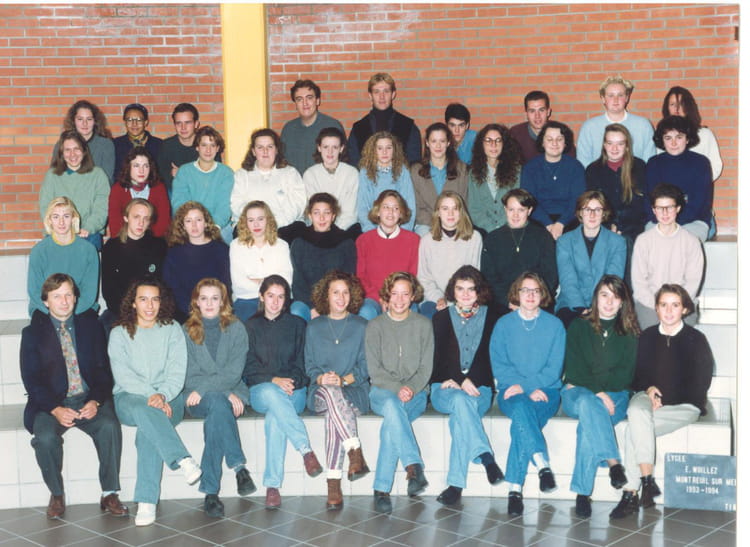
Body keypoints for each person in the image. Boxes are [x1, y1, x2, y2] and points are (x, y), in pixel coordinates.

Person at [21, 273, 127, 520]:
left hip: (87, 398)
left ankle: (109, 493)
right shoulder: (32, 334)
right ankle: (57, 494)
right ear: (45, 301)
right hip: (51, 404)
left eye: (68, 294)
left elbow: (103, 372)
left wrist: (95, 401)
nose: (64, 301)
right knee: (45, 438)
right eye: (57, 296)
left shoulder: (91, 327)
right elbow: (32, 381)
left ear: (76, 298)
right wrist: (55, 409)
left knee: (110, 426)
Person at [610, 284, 713, 519]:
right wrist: (648, 388)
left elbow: (700, 383)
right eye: (663, 305)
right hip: (647, 398)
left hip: (684, 405)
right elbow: (636, 375)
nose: (668, 311)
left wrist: (664, 399)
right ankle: (647, 481)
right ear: (656, 308)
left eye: (675, 305)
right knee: (637, 411)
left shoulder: (696, 339)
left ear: (684, 309)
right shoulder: (646, 337)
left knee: (633, 430)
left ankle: (631, 493)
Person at [108, 276, 201, 526]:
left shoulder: (172, 329)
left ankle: (147, 501)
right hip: (130, 398)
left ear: (162, 302)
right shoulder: (119, 333)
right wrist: (152, 395)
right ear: (133, 303)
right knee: (146, 410)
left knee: (147, 430)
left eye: (155, 300)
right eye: (143, 299)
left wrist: (163, 395)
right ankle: (182, 459)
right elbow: (124, 376)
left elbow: (177, 371)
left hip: (171, 398)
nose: (150, 306)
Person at [561, 275, 640, 518]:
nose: (609, 302)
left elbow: (624, 376)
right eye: (604, 295)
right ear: (596, 297)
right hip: (577, 393)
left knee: (589, 416)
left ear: (622, 302)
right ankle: (614, 463)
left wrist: (597, 388)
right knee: (588, 402)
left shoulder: (630, 332)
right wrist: (598, 391)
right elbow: (574, 370)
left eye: (615, 297)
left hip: (615, 395)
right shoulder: (578, 326)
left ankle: (582, 493)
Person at [242, 275, 323, 509]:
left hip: (293, 392)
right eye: (270, 296)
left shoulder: (298, 325)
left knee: (275, 417)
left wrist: (291, 382)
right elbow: (248, 368)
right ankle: (305, 450)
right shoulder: (250, 326)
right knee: (271, 393)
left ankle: (272, 486)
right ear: (261, 297)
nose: (275, 302)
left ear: (287, 299)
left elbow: (304, 365)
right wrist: (274, 380)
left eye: (281, 297)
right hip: (261, 390)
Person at [490, 272, 565, 516]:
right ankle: (542, 464)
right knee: (522, 408)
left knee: (521, 422)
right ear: (517, 293)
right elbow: (499, 365)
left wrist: (529, 387)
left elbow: (554, 368)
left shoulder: (555, 325)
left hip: (547, 392)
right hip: (511, 391)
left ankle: (515, 490)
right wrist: (522, 388)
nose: (530, 295)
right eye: (525, 290)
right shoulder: (503, 325)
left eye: (535, 290)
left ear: (543, 294)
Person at [430, 266, 504, 506]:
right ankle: (485, 455)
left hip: (479, 389)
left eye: (471, 289)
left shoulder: (493, 317)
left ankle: (455, 485)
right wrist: (457, 379)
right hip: (444, 388)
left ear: (479, 291)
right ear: (452, 291)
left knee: (460, 415)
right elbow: (436, 360)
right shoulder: (441, 318)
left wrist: (473, 378)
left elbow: (492, 358)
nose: (465, 294)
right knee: (460, 400)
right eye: (460, 289)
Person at [183, 278, 255, 518]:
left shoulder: (236, 328)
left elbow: (234, 372)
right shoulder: (186, 330)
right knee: (216, 401)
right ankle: (239, 467)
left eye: (215, 298)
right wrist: (222, 392)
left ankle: (211, 491)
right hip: (197, 396)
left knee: (217, 410)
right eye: (204, 298)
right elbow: (188, 374)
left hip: (230, 391)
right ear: (196, 301)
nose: (209, 303)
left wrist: (220, 391)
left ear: (223, 301)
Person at [366, 272, 433, 513]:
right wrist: (398, 388)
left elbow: (426, 368)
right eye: (394, 294)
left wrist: (410, 388)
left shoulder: (423, 325)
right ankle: (413, 465)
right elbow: (375, 371)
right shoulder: (374, 326)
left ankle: (381, 489)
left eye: (405, 294)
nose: (399, 300)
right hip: (382, 391)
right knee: (392, 406)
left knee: (391, 424)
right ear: (387, 295)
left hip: (416, 392)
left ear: (413, 296)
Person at [304, 271, 371, 510]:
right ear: (326, 296)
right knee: (330, 392)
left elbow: (366, 367)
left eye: (345, 293)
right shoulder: (314, 326)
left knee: (333, 415)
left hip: (354, 391)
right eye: (335, 292)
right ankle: (354, 451)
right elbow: (309, 366)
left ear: (352, 296)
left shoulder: (362, 325)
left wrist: (343, 381)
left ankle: (333, 484)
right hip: (320, 392)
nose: (341, 298)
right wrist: (322, 378)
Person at [631, 184, 704, 329]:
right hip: (650, 305)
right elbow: (639, 285)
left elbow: (693, 283)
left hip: (682, 304)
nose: (664, 213)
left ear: (678, 208)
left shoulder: (692, 241)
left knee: (679, 337)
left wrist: (673, 307)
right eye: (660, 208)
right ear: (654, 210)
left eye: (669, 207)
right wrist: (660, 306)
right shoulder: (643, 241)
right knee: (653, 337)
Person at [481, 188, 557, 315]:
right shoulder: (492, 239)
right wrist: (508, 301)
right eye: (511, 210)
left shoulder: (543, 236)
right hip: (502, 303)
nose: (515, 215)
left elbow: (550, 276)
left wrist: (532, 300)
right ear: (505, 209)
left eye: (521, 210)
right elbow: (488, 278)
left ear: (529, 210)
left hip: (537, 302)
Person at [555, 191, 626, 327]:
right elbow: (567, 280)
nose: (592, 215)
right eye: (587, 209)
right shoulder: (564, 241)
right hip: (571, 303)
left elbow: (613, 279)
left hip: (606, 303)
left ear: (604, 213)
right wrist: (581, 308)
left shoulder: (618, 242)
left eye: (597, 210)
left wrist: (597, 307)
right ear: (580, 213)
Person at [102, 199, 167, 330]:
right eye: (136, 217)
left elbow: (162, 285)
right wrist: (129, 314)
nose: (141, 223)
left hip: (150, 310)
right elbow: (109, 291)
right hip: (120, 311)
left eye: (146, 218)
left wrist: (147, 311)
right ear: (126, 218)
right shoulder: (112, 247)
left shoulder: (159, 246)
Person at [231, 128, 307, 242]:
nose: (265, 151)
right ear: (253, 151)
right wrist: (258, 223)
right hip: (251, 226)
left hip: (284, 226)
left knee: (298, 231)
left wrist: (272, 224)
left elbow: (297, 204)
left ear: (276, 150)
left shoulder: (290, 173)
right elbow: (237, 205)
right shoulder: (241, 175)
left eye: (270, 147)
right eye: (260, 147)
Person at [645, 115, 712, 242]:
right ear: (662, 140)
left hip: (694, 221)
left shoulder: (701, 163)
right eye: (668, 138)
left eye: (679, 137)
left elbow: (700, 202)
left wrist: (674, 225)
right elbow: (649, 199)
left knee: (681, 242)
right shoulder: (653, 163)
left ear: (687, 139)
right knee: (653, 241)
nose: (673, 143)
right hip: (659, 220)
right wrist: (663, 222)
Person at [290, 193, 356, 322]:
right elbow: (298, 283)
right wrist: (312, 308)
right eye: (316, 213)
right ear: (310, 215)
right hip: (308, 303)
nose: (321, 218)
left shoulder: (346, 242)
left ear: (333, 216)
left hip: (338, 301)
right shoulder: (299, 243)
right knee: (296, 310)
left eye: (326, 213)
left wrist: (334, 306)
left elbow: (348, 280)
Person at [28, 197, 99, 316]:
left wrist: (69, 313)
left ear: (73, 219)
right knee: (42, 327)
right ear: (49, 220)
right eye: (56, 217)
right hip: (45, 308)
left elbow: (89, 293)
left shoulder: (88, 250)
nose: (61, 222)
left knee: (88, 327)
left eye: (66, 216)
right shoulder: (39, 251)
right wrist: (55, 314)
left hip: (80, 307)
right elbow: (34, 291)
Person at [39, 130, 109, 250]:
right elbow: (45, 207)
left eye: (76, 149)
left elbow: (102, 209)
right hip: (58, 232)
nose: (72, 154)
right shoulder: (52, 175)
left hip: (88, 233)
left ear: (84, 151)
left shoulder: (98, 175)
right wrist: (61, 229)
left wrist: (87, 228)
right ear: (61, 153)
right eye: (67, 150)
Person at [355, 190, 420, 320]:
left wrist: (396, 298)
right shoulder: (363, 240)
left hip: (403, 298)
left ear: (401, 214)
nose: (390, 212)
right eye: (386, 207)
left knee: (413, 312)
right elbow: (360, 277)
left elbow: (413, 276)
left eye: (396, 208)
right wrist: (380, 298)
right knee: (365, 311)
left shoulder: (414, 240)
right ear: (378, 211)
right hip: (373, 299)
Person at [163, 201, 231, 323]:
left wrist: (212, 310)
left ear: (206, 223)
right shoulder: (174, 254)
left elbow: (226, 286)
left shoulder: (221, 250)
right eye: (188, 221)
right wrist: (193, 310)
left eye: (198, 220)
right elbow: (173, 289)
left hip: (216, 312)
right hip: (185, 314)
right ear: (183, 225)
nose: (194, 225)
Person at [417, 191, 482, 318]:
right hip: (435, 299)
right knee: (431, 315)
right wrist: (439, 298)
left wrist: (458, 299)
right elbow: (424, 279)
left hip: (465, 297)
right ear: (438, 212)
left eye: (455, 209)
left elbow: (475, 276)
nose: (450, 213)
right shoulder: (427, 241)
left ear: (461, 212)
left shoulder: (474, 238)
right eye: (445, 209)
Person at [521, 121, 586, 240]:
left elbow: (578, 200)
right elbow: (529, 200)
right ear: (542, 142)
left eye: (559, 139)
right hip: (539, 219)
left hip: (570, 219)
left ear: (565, 143)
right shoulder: (530, 168)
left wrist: (561, 223)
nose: (554, 143)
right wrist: (548, 224)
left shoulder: (576, 167)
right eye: (549, 139)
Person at [229, 201, 292, 322]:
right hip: (246, 300)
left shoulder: (281, 245)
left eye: (260, 219)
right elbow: (239, 285)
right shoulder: (236, 246)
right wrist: (269, 283)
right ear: (245, 222)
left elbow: (286, 281)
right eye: (251, 220)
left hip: (276, 301)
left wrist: (257, 281)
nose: (256, 224)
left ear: (268, 220)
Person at [585, 123, 647, 244]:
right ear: (604, 145)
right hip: (602, 226)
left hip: (634, 228)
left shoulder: (639, 167)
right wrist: (609, 226)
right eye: (610, 143)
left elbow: (641, 205)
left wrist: (622, 229)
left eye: (620, 144)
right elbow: (591, 205)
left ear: (627, 146)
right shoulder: (592, 170)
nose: (614, 149)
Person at [171, 126, 235, 244]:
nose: (208, 150)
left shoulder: (226, 173)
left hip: (218, 227)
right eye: (204, 145)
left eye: (212, 145)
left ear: (218, 148)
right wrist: (194, 226)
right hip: (190, 226)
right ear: (197, 147)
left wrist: (212, 229)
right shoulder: (184, 172)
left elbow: (225, 206)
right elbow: (179, 204)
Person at [577, 75, 656, 168]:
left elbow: (649, 163)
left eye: (620, 95)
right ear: (603, 99)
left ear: (627, 98)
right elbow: (584, 164)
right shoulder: (589, 127)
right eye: (611, 95)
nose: (615, 100)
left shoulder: (643, 125)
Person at [347, 72, 421, 165]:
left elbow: (414, 163)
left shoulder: (408, 126)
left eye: (386, 91)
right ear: (370, 95)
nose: (382, 97)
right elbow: (354, 163)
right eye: (376, 92)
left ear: (393, 94)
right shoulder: (358, 128)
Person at [410, 122, 469, 235]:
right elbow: (417, 207)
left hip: (455, 223)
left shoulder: (462, 169)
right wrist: (437, 225)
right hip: (426, 225)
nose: (438, 146)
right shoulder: (415, 171)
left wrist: (450, 224)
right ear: (427, 143)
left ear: (448, 143)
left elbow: (464, 203)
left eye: (442, 141)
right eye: (434, 141)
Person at [281, 79, 346, 175]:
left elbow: (343, 162)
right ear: (295, 104)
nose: (305, 103)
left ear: (317, 101)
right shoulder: (288, 130)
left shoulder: (332, 126)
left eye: (309, 98)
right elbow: (283, 163)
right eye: (299, 99)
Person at [356, 131, 417, 232]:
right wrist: (372, 232)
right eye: (380, 148)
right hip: (373, 229)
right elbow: (362, 208)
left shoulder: (402, 171)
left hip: (399, 228)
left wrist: (402, 232)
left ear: (394, 150)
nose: (384, 152)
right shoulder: (365, 172)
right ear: (373, 151)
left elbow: (410, 206)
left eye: (388, 148)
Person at [467, 123, 522, 235]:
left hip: (511, 226)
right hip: (484, 229)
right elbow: (474, 209)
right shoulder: (473, 173)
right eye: (488, 140)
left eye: (498, 140)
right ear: (482, 144)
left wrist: (502, 227)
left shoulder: (516, 171)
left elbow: (517, 204)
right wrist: (492, 229)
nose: (493, 145)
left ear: (504, 144)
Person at [302, 127, 360, 232]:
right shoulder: (310, 175)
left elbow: (350, 213)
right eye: (325, 147)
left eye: (335, 147)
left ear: (341, 148)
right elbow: (314, 211)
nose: (330, 152)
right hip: (317, 228)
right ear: (319, 148)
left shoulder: (352, 173)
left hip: (345, 229)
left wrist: (335, 233)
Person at [157, 103, 221, 195]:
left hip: (204, 192)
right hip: (177, 193)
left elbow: (215, 176)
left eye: (188, 122)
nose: (183, 127)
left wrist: (183, 174)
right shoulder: (166, 146)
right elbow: (163, 178)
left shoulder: (207, 144)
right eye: (179, 123)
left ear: (196, 124)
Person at [662, 86, 722, 181]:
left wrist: (698, 182)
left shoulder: (705, 134)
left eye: (681, 104)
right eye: (672, 104)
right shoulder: (662, 135)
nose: (677, 108)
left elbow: (715, 166)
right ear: (667, 108)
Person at [108, 146, 171, 238]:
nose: (142, 171)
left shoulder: (158, 188)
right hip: (124, 239)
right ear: (128, 168)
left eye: (146, 166)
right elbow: (115, 223)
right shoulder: (118, 189)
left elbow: (164, 221)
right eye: (136, 166)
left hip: (153, 239)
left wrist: (148, 240)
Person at [51, 99, 115, 183]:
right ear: (73, 121)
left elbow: (107, 179)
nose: (85, 123)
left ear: (95, 121)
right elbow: (54, 176)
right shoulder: (62, 144)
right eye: (80, 119)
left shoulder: (105, 145)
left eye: (89, 119)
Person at [510, 90, 577, 164]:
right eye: (532, 111)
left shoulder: (561, 131)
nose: (537, 116)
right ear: (526, 114)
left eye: (541, 110)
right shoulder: (515, 134)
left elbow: (571, 162)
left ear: (548, 112)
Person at [113, 103, 163, 177]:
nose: (134, 124)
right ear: (125, 122)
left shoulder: (159, 145)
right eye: (129, 120)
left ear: (145, 122)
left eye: (139, 120)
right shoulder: (116, 144)